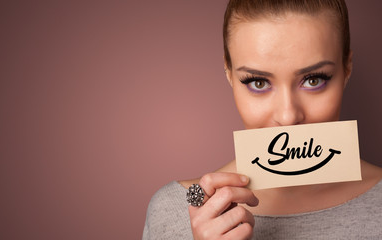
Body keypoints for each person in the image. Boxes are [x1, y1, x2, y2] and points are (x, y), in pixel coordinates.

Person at [143, 0, 382, 239]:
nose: (288, 116)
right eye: (259, 82)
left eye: (314, 80)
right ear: (229, 74)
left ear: (347, 68)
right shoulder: (175, 210)